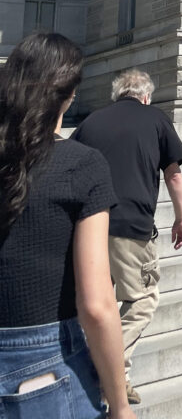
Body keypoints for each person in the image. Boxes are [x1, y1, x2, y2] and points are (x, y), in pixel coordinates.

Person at [0, 33, 136, 419]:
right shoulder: (81, 164)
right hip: (44, 364)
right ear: (69, 95)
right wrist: (120, 406)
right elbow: (96, 305)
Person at [71, 69, 182, 405]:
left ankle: (118, 379)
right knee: (142, 300)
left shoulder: (91, 122)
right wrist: (181, 219)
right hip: (131, 227)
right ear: (146, 95)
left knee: (97, 302)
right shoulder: (155, 118)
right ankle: (105, 368)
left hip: (87, 226)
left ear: (116, 94)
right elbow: (174, 176)